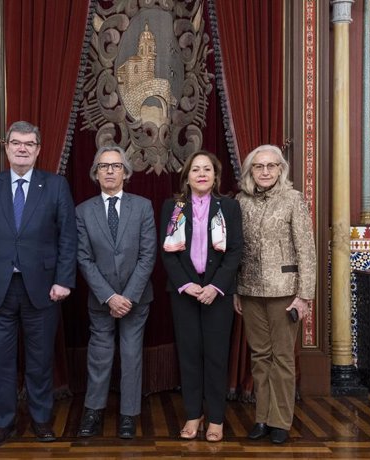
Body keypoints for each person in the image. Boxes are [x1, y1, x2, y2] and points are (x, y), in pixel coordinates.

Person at [0, 120, 77, 447]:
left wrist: (63, 281)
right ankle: (2, 423)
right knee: (0, 361)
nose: (22, 148)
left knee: (40, 360)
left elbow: (68, 238)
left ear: (38, 149)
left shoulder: (55, 186)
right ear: (7, 147)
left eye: (29, 143)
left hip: (43, 288)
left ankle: (41, 421)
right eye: (16, 143)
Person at [233, 144, 316, 445]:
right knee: (260, 357)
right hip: (250, 290)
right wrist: (236, 290)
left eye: (271, 166)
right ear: (250, 171)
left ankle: (280, 421)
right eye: (259, 166)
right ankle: (262, 418)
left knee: (281, 358)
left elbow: (307, 249)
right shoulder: (240, 201)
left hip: (285, 292)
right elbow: (235, 251)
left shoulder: (293, 200)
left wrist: (304, 296)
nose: (265, 171)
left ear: (281, 169)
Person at [159, 150, 243, 442]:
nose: (202, 174)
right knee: (190, 356)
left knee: (216, 357)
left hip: (217, 294)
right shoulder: (174, 206)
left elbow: (234, 252)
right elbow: (168, 252)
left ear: (215, 175)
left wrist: (215, 286)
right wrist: (187, 284)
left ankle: (216, 418)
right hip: (184, 294)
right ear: (187, 176)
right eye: (195, 170)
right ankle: (194, 414)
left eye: (207, 169)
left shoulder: (228, 208)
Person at [75, 146, 156, 440]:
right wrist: (110, 296)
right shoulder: (83, 211)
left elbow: (148, 255)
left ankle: (128, 414)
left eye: (115, 166)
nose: (109, 171)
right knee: (99, 355)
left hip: (136, 298)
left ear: (126, 172)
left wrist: (128, 296)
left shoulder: (143, 206)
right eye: (103, 166)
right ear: (95, 173)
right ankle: (93, 412)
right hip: (101, 299)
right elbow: (83, 258)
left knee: (132, 355)